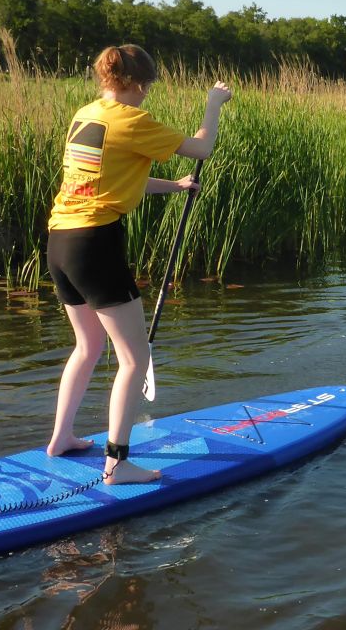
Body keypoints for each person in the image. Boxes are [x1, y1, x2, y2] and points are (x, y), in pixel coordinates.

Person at [44, 44, 231, 485]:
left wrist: (175, 186)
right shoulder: (134, 120)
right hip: (95, 245)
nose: (148, 94)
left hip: (60, 243)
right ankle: (117, 463)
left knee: (87, 347)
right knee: (134, 357)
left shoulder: (86, 115)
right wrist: (213, 103)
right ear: (139, 83)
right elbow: (201, 147)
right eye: (148, 86)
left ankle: (61, 438)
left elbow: (116, 178)